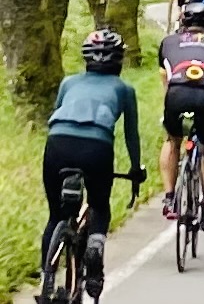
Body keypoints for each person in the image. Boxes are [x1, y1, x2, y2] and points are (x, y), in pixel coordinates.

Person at [40, 30, 144, 299]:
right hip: (96, 146)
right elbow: (131, 134)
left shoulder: (68, 82)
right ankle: (95, 248)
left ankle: (46, 278)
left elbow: (58, 112)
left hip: (57, 142)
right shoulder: (124, 89)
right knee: (99, 205)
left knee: (57, 215)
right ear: (119, 60)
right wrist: (135, 169)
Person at [158, 2, 204, 231]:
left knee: (172, 141)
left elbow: (166, 78)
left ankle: (170, 196)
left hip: (176, 94)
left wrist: (169, 107)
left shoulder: (168, 42)